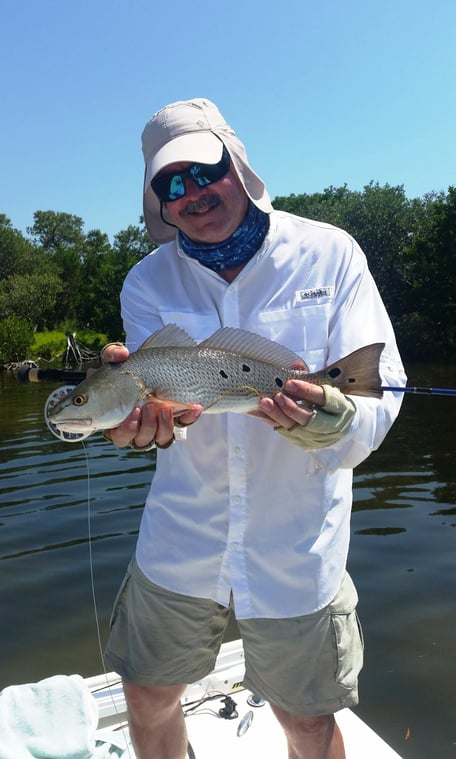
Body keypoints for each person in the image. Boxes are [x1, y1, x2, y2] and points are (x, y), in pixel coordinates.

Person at [102, 98, 406, 759]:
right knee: (147, 698)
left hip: (297, 549)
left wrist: (332, 422)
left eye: (204, 171)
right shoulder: (145, 281)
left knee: (306, 723)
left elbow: (378, 400)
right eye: (170, 184)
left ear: (236, 165)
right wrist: (141, 424)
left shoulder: (329, 253)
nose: (192, 194)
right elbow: (162, 409)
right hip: (179, 539)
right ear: (159, 201)